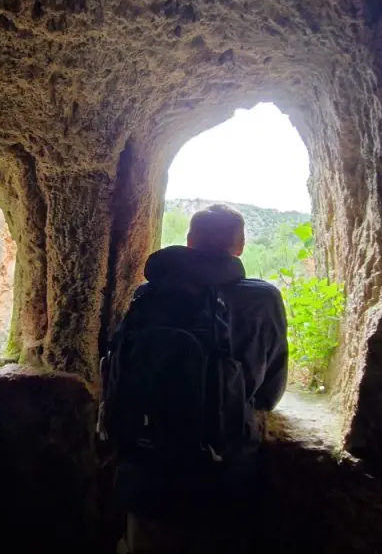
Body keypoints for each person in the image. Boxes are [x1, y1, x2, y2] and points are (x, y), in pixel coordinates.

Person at [100, 204, 288, 553]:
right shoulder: (263, 299)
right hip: (221, 470)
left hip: (146, 467)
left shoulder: (149, 294)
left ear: (189, 242)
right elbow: (269, 393)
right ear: (240, 246)